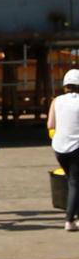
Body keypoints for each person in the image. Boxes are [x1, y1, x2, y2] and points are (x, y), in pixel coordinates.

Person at [48, 69, 79, 231]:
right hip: (76, 147)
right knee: (75, 182)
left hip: (59, 148)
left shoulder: (56, 101)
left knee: (73, 181)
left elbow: (50, 125)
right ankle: (69, 220)